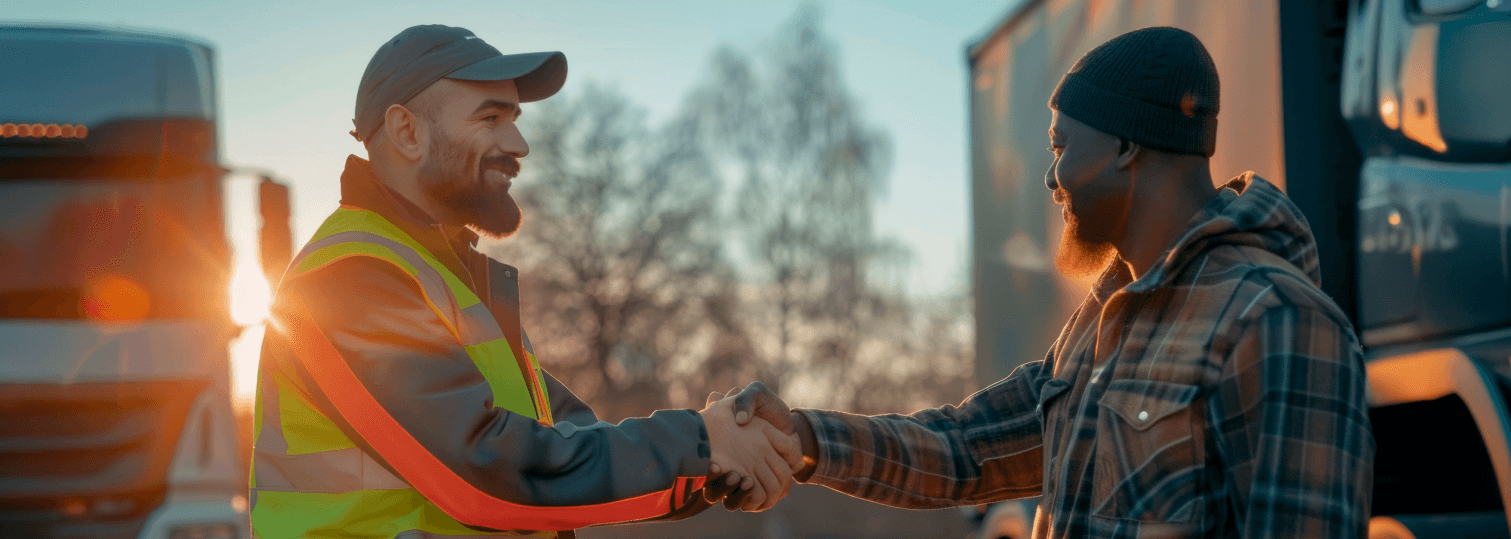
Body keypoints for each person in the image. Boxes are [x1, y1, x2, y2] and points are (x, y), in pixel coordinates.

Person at [716, 26, 1375, 538]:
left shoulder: (1277, 320)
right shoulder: (1096, 326)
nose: (1048, 176)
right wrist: (799, 438)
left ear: (1124, 146)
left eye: (1061, 146)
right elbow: (962, 450)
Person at [249, 25, 799, 539]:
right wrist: (703, 444)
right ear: (406, 131)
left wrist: (718, 453)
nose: (519, 144)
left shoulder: (443, 282)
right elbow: (483, 470)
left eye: (514, 118)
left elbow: (568, 441)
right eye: (490, 118)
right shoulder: (350, 279)